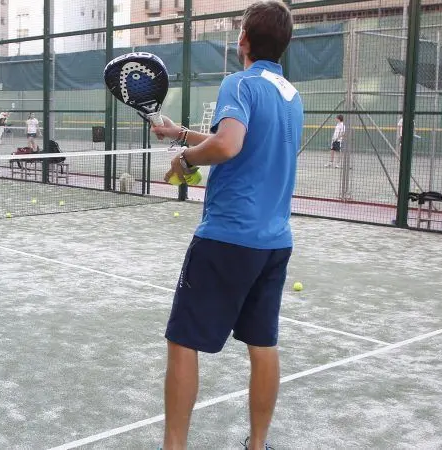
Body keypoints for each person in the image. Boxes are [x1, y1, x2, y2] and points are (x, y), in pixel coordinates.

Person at [150, 2, 302, 449]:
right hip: (274, 243)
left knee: (182, 342)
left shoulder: (240, 82)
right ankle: (258, 445)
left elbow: (230, 144)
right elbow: (241, 140)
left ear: (245, 42)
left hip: (227, 238)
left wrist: (184, 159)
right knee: (263, 344)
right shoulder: (292, 96)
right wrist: (181, 134)